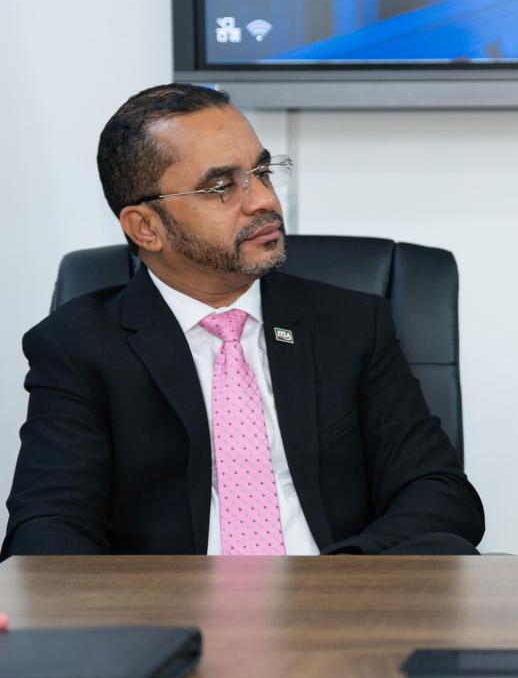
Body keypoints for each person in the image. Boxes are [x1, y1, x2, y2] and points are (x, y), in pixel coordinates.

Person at [3, 84, 483, 556]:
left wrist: (339, 580)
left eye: (262, 172)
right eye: (221, 187)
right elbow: (49, 525)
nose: (264, 201)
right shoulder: (78, 347)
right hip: (172, 603)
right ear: (145, 227)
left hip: (340, 591)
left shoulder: (351, 324)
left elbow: (438, 491)